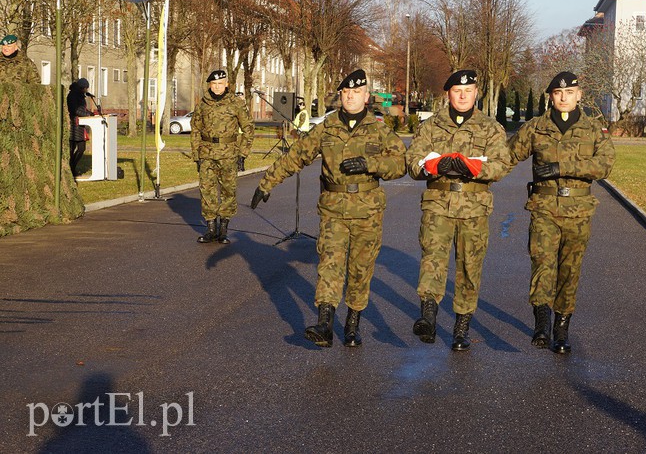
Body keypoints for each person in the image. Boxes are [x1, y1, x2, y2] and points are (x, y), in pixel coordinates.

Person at [251, 69, 406, 348]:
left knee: (360, 270)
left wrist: (371, 165)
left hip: (367, 211)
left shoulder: (379, 129)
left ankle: (353, 322)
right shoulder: (327, 127)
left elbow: (400, 165)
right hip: (333, 208)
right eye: (346, 92)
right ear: (340, 95)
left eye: (356, 92)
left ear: (366, 96)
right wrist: (267, 183)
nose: (350, 97)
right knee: (330, 265)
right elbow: (297, 155)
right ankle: (324, 324)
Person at [507, 71, 616, 354]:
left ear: (579, 95)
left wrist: (564, 168)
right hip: (544, 208)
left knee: (570, 270)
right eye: (558, 93)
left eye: (569, 92)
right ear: (551, 96)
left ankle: (562, 329)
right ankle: (541, 324)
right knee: (542, 263)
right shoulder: (536, 127)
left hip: (578, 212)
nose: (564, 97)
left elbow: (604, 165)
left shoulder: (593, 129)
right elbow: (507, 156)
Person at [406, 69, 511, 351]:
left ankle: (461, 326)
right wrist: (434, 165)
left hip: (474, 207)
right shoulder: (430, 127)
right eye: (456, 91)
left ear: (476, 93)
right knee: (432, 260)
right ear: (448, 94)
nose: (462, 95)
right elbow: (412, 162)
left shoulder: (491, 128)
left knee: (469, 267)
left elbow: (502, 165)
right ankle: (428, 315)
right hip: (438, 204)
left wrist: (473, 167)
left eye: (468, 91)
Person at [190, 69, 255, 244]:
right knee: (206, 190)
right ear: (209, 85)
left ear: (227, 84)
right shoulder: (202, 104)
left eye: (220, 84)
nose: (217, 87)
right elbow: (195, 130)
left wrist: (243, 154)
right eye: (214, 84)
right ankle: (211, 228)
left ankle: (224, 228)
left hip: (229, 154)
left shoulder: (236, 103)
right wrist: (196, 154)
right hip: (207, 153)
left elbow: (248, 128)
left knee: (228, 190)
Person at [66, 78, 95, 177]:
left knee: (81, 148)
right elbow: (75, 110)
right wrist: (86, 114)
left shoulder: (80, 96)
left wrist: (90, 113)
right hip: (74, 124)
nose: (86, 90)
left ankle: (72, 166)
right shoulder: (72, 95)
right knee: (72, 148)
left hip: (81, 125)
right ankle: (70, 169)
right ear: (82, 88)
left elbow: (82, 109)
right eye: (86, 88)